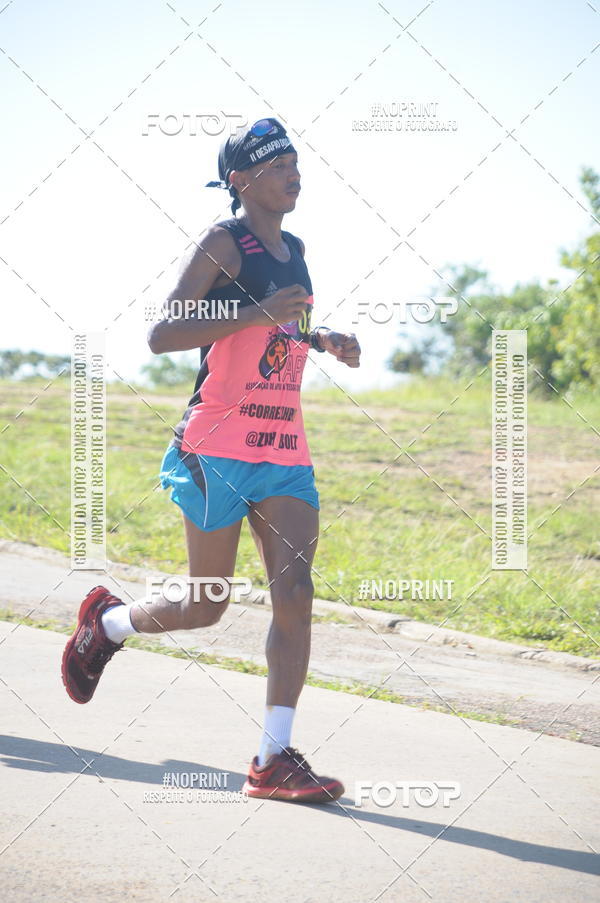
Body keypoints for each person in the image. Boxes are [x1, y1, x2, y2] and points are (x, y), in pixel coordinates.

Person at [61, 117, 361, 804]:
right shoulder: (223, 241)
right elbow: (164, 331)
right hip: (217, 444)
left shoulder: (297, 249)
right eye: (277, 162)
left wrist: (324, 339)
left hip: (284, 448)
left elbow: (279, 328)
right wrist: (258, 310)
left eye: (295, 160)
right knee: (207, 603)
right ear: (241, 179)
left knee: (296, 592)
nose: (294, 171)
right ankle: (105, 622)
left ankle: (273, 758)